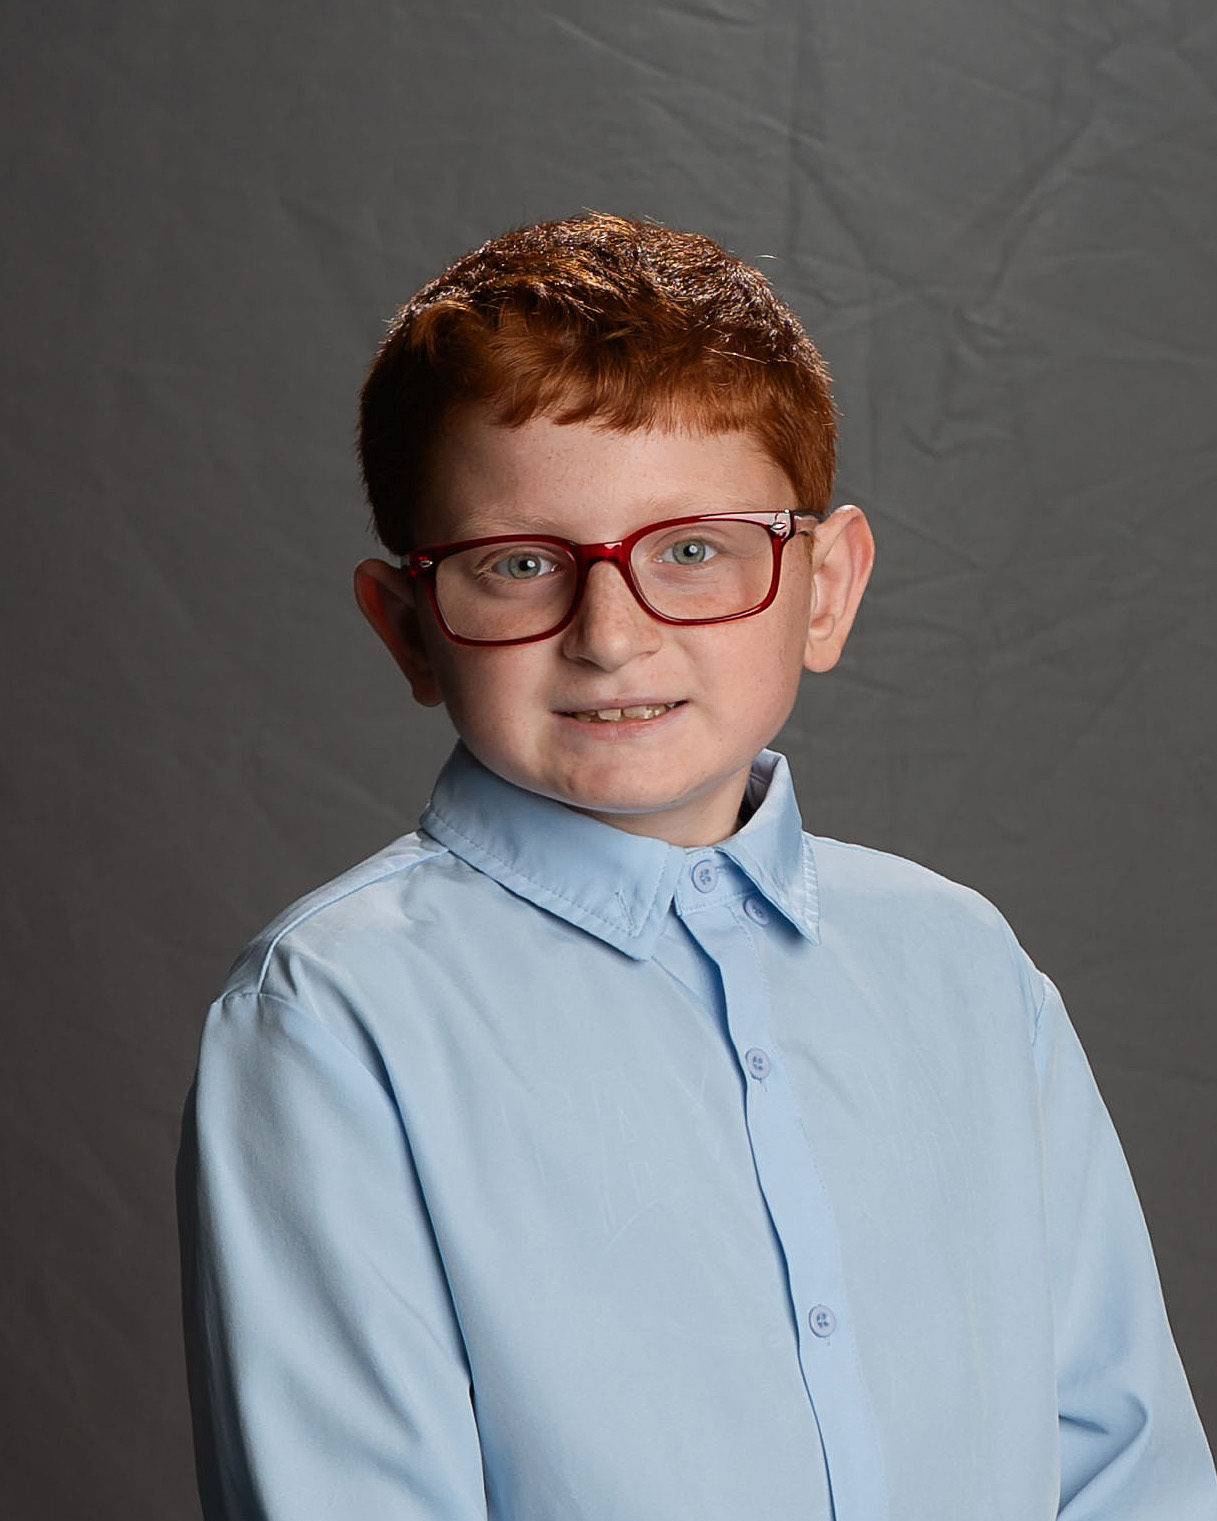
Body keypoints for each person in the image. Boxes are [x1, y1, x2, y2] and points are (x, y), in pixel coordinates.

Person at [178, 212, 1216, 1520]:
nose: (611, 636)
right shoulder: (332, 1016)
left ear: (824, 588)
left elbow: (1128, 1467)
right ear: (408, 629)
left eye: (690, 549)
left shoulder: (963, 964)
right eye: (518, 564)